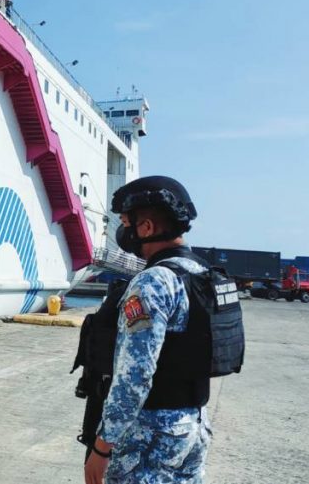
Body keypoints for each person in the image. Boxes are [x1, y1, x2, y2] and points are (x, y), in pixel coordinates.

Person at [83, 176, 242, 484]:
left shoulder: (153, 281)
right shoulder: (204, 274)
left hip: (149, 438)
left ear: (146, 228)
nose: (123, 232)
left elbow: (135, 376)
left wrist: (102, 447)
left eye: (127, 223)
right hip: (191, 427)